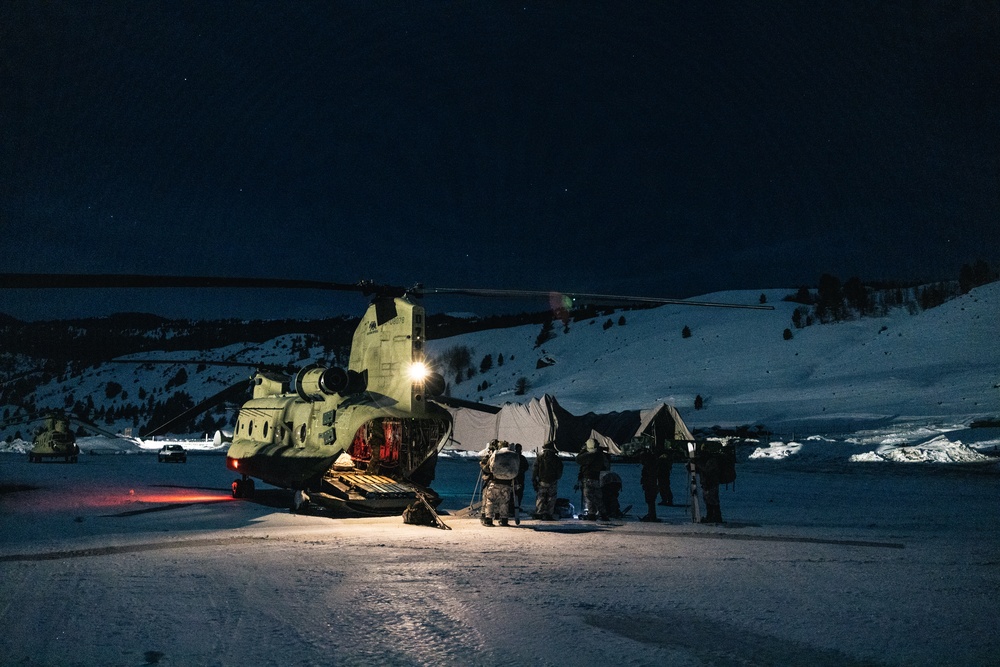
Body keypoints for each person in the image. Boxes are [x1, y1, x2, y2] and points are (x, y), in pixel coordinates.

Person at [483, 441, 519, 526]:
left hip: (495, 481)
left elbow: (487, 468)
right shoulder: (513, 455)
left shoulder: (496, 454)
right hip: (507, 483)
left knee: (490, 500)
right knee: (504, 501)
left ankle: (488, 519)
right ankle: (504, 520)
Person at [575, 437, 610, 520]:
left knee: (589, 497)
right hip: (597, 478)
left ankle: (592, 514)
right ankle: (603, 513)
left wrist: (583, 450)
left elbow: (578, 459)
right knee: (597, 496)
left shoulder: (589, 455)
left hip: (588, 478)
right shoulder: (600, 455)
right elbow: (606, 466)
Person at [532, 441, 563, 520]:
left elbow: (535, 470)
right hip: (553, 481)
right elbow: (559, 472)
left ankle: (539, 512)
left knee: (540, 497)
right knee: (551, 498)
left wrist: (534, 480)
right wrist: (556, 477)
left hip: (542, 481)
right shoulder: (557, 459)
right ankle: (549, 513)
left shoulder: (540, 458)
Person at [697, 446, 724, 524]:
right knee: (708, 500)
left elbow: (707, 469)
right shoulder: (706, 460)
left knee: (712, 500)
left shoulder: (711, 460)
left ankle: (715, 517)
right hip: (707, 483)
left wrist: (698, 463)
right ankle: (711, 516)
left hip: (712, 483)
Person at [508, 443, 530, 524]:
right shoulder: (517, 457)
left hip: (518, 478)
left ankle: (515, 507)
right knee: (513, 494)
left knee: (517, 494)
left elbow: (526, 467)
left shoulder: (517, 458)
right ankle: (511, 508)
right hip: (516, 478)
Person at [639, 446, 661, 522]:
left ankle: (652, 515)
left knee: (650, 500)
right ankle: (651, 514)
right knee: (650, 500)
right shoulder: (651, 464)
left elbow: (650, 476)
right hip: (650, 484)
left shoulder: (649, 466)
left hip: (650, 484)